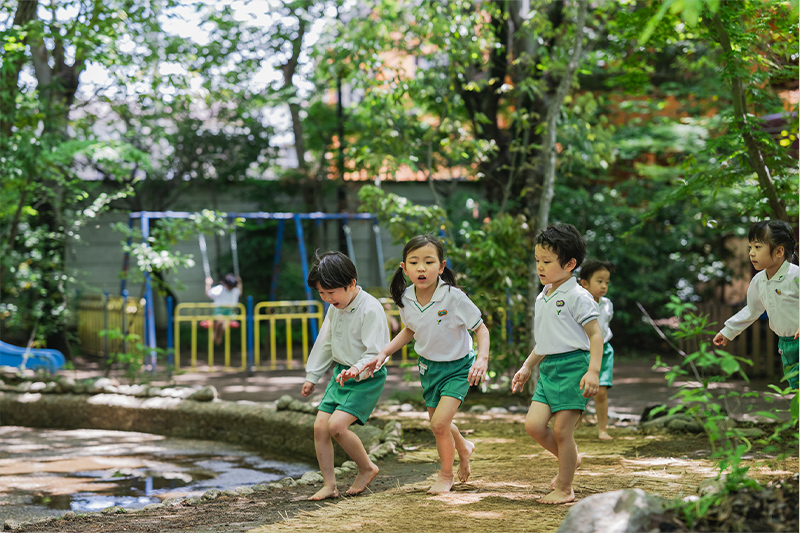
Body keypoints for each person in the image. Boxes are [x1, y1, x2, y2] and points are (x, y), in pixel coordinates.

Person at [340, 235, 490, 494]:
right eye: (415, 262)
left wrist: (482, 359)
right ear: (404, 267)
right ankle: (463, 447)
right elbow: (410, 329)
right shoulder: (406, 298)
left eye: (429, 262)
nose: (422, 268)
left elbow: (481, 330)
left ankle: (445, 475)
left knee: (439, 425)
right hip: (429, 369)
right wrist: (383, 353)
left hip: (458, 368)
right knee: (438, 422)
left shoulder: (454, 297)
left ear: (441, 267)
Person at [511, 223, 603, 505]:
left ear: (570, 263)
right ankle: (571, 458)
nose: (540, 267)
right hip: (549, 368)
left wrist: (593, 372)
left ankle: (565, 488)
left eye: (547, 262)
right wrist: (527, 367)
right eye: (537, 260)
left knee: (563, 431)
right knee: (534, 426)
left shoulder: (578, 296)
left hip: (574, 367)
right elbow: (545, 340)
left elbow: (596, 335)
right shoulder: (544, 296)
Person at [301, 251, 390, 501]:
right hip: (341, 374)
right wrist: (312, 376)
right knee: (320, 427)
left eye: (331, 292)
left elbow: (377, 352)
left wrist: (358, 369)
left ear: (351, 284)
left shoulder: (370, 308)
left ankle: (367, 468)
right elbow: (325, 342)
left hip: (366, 377)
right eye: (321, 293)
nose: (328, 298)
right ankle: (329, 484)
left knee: (337, 426)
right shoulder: (335, 307)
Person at [713, 220, 799, 389]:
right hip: (785, 344)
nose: (751, 253)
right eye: (750, 248)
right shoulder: (758, 281)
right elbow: (752, 310)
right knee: (795, 386)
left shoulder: (795, 275)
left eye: (758, 247)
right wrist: (728, 331)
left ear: (779, 250)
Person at [579, 259, 615, 440]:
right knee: (580, 391)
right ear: (584, 283)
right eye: (599, 281)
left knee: (600, 392)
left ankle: (602, 429)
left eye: (607, 282)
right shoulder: (578, 302)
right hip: (583, 351)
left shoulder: (607, 304)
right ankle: (573, 426)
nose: (604, 286)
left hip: (605, 351)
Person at [205, 273, 242, 345]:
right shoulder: (220, 289)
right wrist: (208, 284)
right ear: (225, 285)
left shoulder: (235, 290)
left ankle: (217, 335)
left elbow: (239, 292)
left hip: (230, 312)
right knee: (222, 321)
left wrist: (240, 283)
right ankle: (217, 336)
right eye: (230, 286)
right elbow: (208, 294)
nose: (231, 288)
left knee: (224, 323)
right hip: (219, 311)